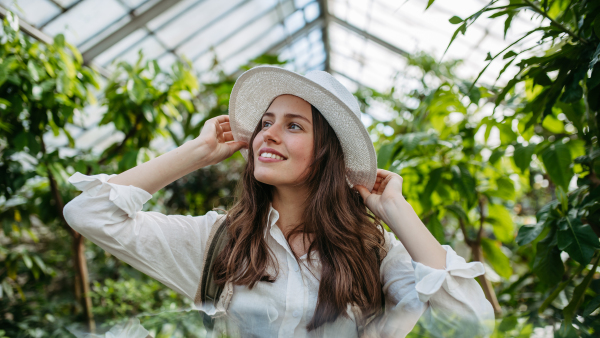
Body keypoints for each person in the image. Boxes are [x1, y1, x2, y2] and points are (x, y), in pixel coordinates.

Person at [63, 66, 495, 337]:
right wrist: (195, 153)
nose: (268, 132)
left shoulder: (373, 252)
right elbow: (88, 213)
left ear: (327, 150)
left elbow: (471, 323)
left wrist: (397, 213)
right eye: (266, 122)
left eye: (294, 126)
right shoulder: (217, 240)